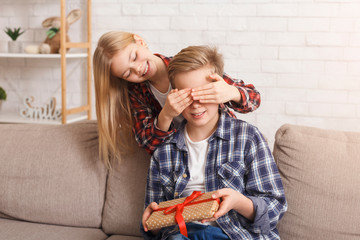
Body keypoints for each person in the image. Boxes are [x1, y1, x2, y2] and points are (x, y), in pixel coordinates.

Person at [141, 46, 287, 240]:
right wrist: (152, 224)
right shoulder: (164, 152)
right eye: (186, 96)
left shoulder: (247, 138)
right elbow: (155, 225)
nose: (196, 104)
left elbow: (275, 209)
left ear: (220, 90)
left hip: (235, 234)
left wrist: (238, 202)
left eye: (204, 94)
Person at [93, 31, 261, 168]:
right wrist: (166, 115)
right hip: (184, 161)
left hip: (223, 146)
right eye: (127, 73)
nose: (137, 68)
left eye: (134, 56)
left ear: (139, 41)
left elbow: (254, 99)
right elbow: (150, 145)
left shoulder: (186, 67)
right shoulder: (137, 93)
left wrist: (231, 92)